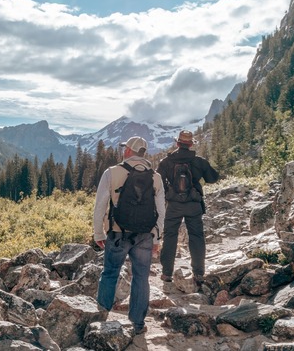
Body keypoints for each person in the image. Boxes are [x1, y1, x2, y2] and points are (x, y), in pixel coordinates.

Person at [93, 136, 165, 335]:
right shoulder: (155, 177)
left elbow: (100, 206)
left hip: (117, 232)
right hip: (144, 235)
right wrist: (156, 238)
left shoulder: (112, 172)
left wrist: (98, 232)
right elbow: (161, 210)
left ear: (127, 151)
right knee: (141, 277)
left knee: (110, 272)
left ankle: (102, 315)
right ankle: (138, 324)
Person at [157, 130, 219, 286]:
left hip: (173, 205)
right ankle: (198, 273)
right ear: (191, 144)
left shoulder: (166, 161)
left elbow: (158, 183)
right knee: (196, 236)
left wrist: (170, 193)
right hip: (193, 204)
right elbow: (213, 178)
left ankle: (166, 273)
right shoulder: (199, 161)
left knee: (170, 235)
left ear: (177, 143)